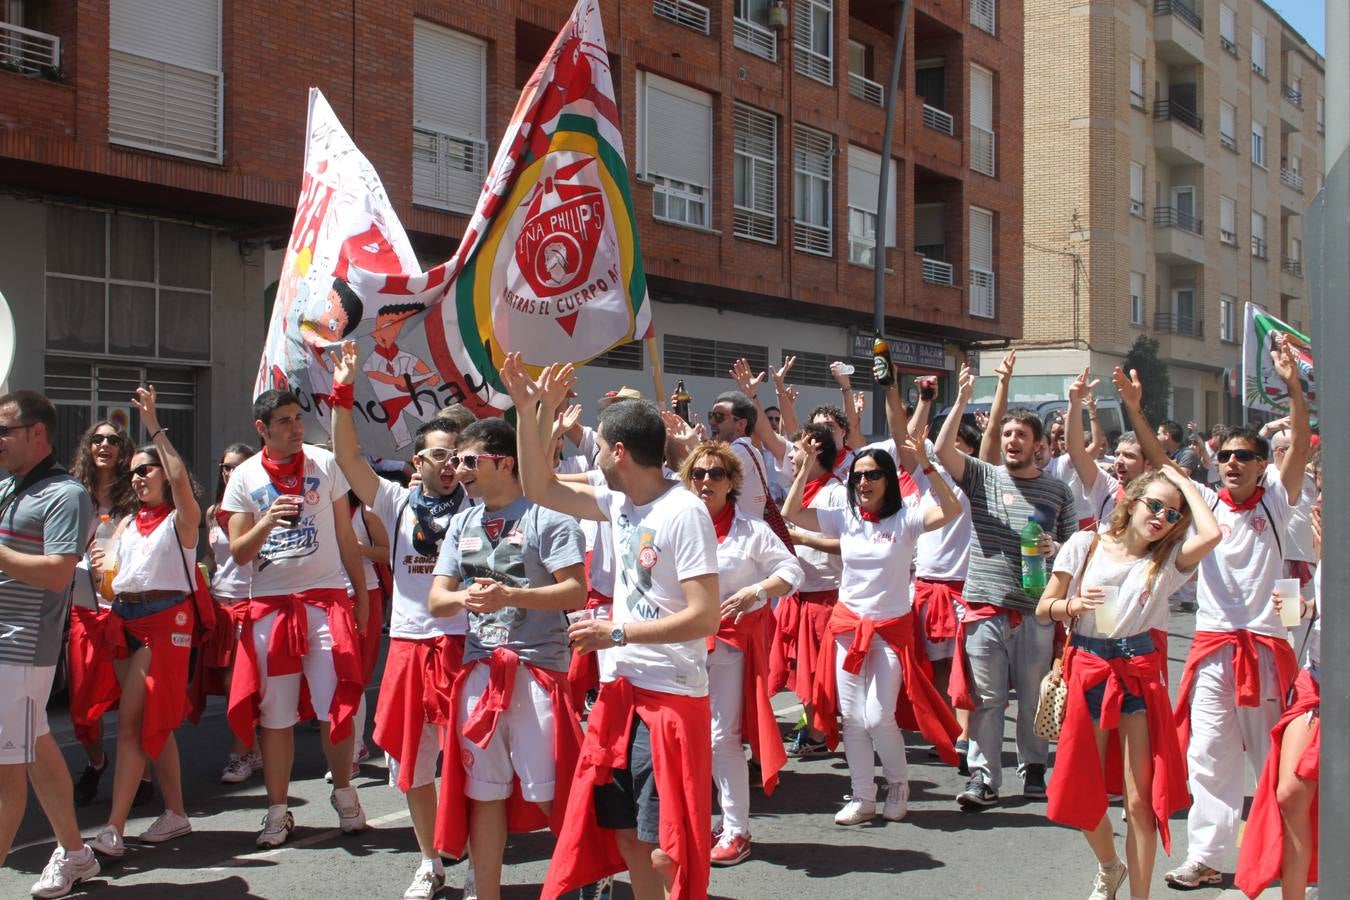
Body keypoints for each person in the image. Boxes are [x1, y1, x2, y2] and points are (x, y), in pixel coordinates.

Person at [499, 356, 720, 900]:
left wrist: (617, 634)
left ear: (619, 453)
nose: (594, 456)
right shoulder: (620, 500)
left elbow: (704, 615)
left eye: (599, 447)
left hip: (669, 699)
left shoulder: (684, 512)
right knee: (626, 837)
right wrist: (529, 412)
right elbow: (540, 485)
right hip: (623, 693)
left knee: (666, 849)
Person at [1114, 341, 1310, 889]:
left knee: (1275, 759)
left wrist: (1293, 387)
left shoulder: (1276, 498)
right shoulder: (1208, 504)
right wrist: (1135, 408)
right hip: (1213, 648)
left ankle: (1280, 853)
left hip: (1268, 648)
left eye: (1242, 457)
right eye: (1224, 456)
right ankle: (1207, 855)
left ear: (1261, 467)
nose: (1230, 465)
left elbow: (1296, 452)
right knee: (1207, 755)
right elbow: (1162, 464)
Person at [1036, 467, 1220, 900]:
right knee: (1082, 793)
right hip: (1088, 667)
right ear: (1132, 501)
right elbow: (1044, 607)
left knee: (1140, 803)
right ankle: (1109, 866)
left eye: (1172, 514)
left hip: (1137, 671)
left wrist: (1189, 490)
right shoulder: (1086, 543)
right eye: (1154, 505)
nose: (1161, 517)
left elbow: (1211, 536)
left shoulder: (1167, 561)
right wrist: (1073, 604)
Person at [331, 343, 474, 900]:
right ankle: (430, 860)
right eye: (438, 455)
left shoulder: (481, 505)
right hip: (411, 647)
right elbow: (347, 459)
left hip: (467, 648)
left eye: (457, 456)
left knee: (471, 764)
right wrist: (343, 391)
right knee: (413, 767)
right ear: (418, 462)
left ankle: (470, 860)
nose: (448, 464)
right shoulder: (394, 500)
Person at [427, 417, 587, 900]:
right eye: (455, 460)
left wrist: (510, 596)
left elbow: (576, 592)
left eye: (469, 460)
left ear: (504, 461)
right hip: (480, 673)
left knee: (550, 796)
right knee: (484, 795)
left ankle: (581, 880)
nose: (459, 470)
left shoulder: (550, 518)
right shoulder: (461, 522)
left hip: (537, 672)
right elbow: (437, 599)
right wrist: (467, 600)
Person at [785, 437, 963, 825]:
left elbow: (950, 508)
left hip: (890, 635)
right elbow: (792, 512)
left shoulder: (907, 518)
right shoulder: (845, 516)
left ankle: (898, 785)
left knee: (878, 717)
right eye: (858, 476)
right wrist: (804, 468)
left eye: (873, 475)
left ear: (889, 480)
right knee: (851, 717)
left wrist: (928, 466)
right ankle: (863, 796)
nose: (863, 482)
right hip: (848, 630)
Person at [222, 389, 370, 848]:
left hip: (325, 601)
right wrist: (266, 520)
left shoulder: (324, 464)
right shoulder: (243, 477)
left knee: (336, 706)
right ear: (262, 429)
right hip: (270, 608)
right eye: (283, 421)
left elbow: (347, 538)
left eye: (297, 418)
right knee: (276, 716)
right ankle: (277, 811)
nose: (295, 427)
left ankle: (344, 793)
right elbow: (239, 552)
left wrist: (360, 595)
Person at [934, 362, 1078, 809]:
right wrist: (960, 399)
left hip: (1036, 610)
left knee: (1033, 696)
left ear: (1038, 446)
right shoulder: (983, 476)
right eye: (1008, 434)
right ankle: (983, 778)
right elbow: (942, 451)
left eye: (1022, 436)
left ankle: (1034, 768)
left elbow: (1075, 550)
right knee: (988, 699)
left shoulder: (1057, 493)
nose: (1012, 441)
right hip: (985, 606)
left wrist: (1056, 549)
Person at [86, 386, 202, 857]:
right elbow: (111, 583)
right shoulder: (128, 524)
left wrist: (154, 425)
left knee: (131, 726)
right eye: (133, 473)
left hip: (163, 623)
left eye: (145, 469)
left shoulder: (183, 519)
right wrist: (100, 571)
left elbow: (180, 482)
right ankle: (176, 813)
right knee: (153, 725)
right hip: (124, 619)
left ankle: (113, 828)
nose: (136, 478)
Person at [677, 441, 802, 864]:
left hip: (730, 646)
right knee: (685, 739)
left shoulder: (752, 530)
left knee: (721, 739)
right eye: (698, 473)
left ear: (732, 482)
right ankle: (710, 820)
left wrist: (757, 590)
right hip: (679, 646)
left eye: (715, 474)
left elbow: (791, 570)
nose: (706, 480)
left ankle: (737, 830)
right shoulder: (674, 523)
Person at [0, 390, 100, 897]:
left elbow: (60, 574)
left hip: (19, 652)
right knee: (34, 746)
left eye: (4, 431)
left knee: (5, 772)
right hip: (5, 651)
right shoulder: (7, 486)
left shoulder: (66, 495)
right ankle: (77, 854)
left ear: (36, 433)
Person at [1235, 466, 1322, 900]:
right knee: (1288, 793)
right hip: (1317, 681)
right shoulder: (1324, 545)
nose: (1321, 505)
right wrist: (1306, 607)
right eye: (1321, 493)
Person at [66, 420, 137, 807]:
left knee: (134, 701)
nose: (105, 445)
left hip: (126, 611)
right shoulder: (74, 495)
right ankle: (97, 762)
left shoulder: (135, 496)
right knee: (82, 709)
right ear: (88, 447)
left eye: (113, 440)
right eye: (98, 439)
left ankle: (139, 775)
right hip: (83, 611)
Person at [778, 423, 845, 758]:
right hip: (800, 594)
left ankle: (820, 733)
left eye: (798, 450)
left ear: (816, 452)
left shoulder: (835, 492)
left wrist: (803, 538)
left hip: (826, 596)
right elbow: (788, 513)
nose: (791, 456)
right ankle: (816, 729)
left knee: (822, 675)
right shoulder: (802, 488)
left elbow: (847, 545)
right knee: (802, 673)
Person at [208, 443, 260, 784]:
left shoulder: (259, 509)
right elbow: (211, 558)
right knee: (225, 683)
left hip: (249, 602)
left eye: (238, 466)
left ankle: (240, 753)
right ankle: (252, 747)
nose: (231, 472)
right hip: (219, 604)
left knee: (236, 683)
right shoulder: (212, 511)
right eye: (226, 467)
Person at [705, 390, 768, 519]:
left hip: (743, 536)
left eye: (718, 416)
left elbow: (702, 480)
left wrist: (689, 443)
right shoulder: (746, 449)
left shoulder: (740, 450)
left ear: (740, 424)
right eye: (711, 416)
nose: (712, 422)